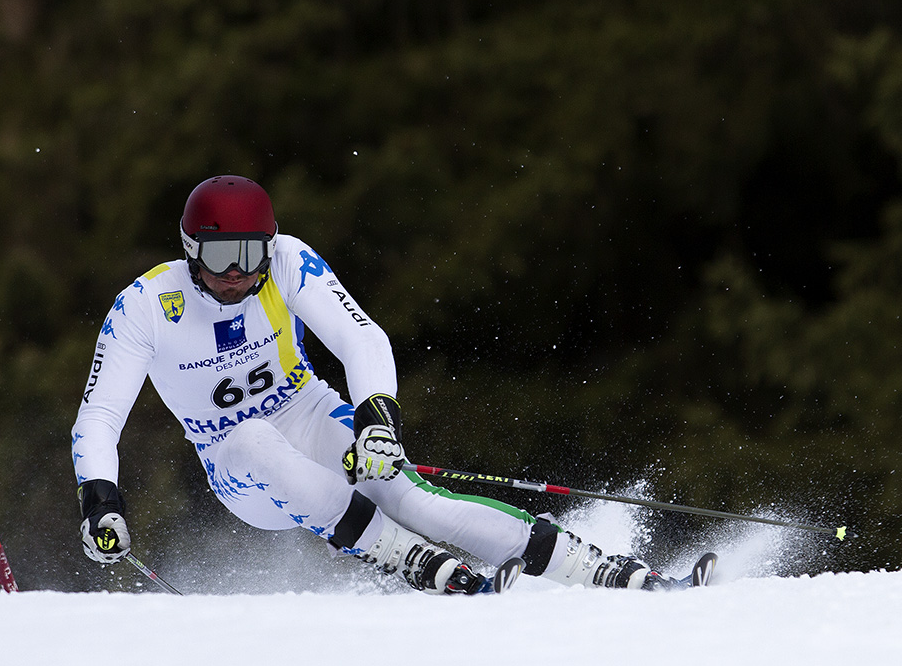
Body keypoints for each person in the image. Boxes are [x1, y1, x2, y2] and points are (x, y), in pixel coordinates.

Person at [71, 175, 683, 594]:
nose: (237, 273)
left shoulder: (287, 261)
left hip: (311, 414)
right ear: (190, 248)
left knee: (411, 498)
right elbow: (99, 417)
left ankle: (607, 573)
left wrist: (376, 419)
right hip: (235, 464)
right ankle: (406, 559)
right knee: (256, 437)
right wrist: (101, 499)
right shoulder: (147, 305)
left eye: (250, 253)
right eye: (221, 255)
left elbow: (363, 338)